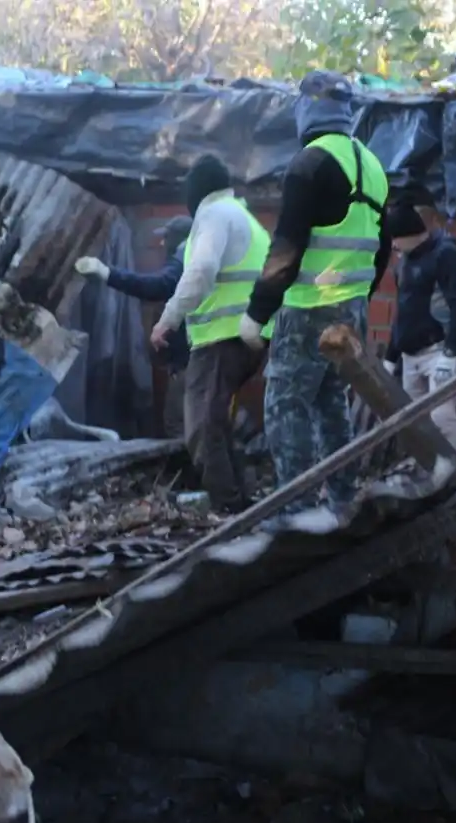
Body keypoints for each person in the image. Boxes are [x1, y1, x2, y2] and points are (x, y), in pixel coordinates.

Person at [238, 70, 392, 534]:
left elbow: (286, 248)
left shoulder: (310, 163)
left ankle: (297, 513)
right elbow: (381, 249)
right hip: (352, 310)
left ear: (307, 107)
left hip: (308, 309)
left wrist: (257, 314)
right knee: (330, 405)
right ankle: (343, 501)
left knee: (287, 408)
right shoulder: (372, 165)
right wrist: (360, 300)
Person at [151, 155, 272, 513]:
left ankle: (230, 511)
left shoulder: (214, 215)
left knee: (201, 431)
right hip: (250, 336)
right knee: (217, 426)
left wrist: (167, 319)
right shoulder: (243, 216)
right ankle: (243, 503)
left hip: (221, 338)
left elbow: (201, 270)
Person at [74, 214, 193, 438]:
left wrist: (107, 273)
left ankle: (194, 472)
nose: (161, 244)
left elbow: (155, 286)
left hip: (191, 362)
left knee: (180, 426)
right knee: (186, 424)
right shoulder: (195, 261)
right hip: (188, 361)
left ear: (179, 240)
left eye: (166, 238)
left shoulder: (186, 259)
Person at [382, 203, 456, 462]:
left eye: (394, 239)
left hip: (438, 351)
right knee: (416, 423)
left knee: (442, 416)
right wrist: (390, 358)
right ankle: (433, 472)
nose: (393, 246)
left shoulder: (447, 256)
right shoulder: (404, 263)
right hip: (410, 357)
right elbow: (402, 312)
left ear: (407, 234)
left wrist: (450, 354)